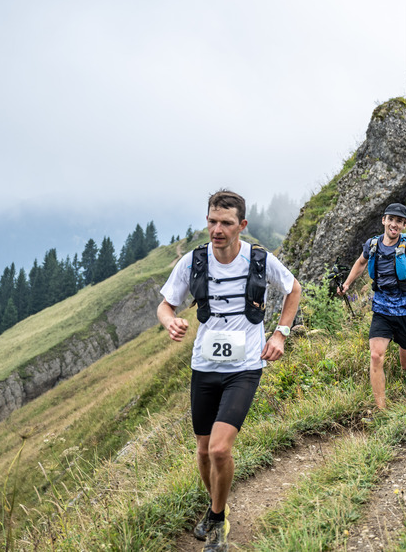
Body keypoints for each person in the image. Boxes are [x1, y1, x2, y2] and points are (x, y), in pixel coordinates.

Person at [158, 190, 302, 552]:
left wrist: (280, 334)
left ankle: (219, 521)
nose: (217, 229)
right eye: (212, 221)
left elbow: (293, 289)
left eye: (225, 222)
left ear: (242, 225)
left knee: (221, 450)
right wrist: (170, 321)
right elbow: (165, 305)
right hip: (204, 366)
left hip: (245, 367)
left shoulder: (258, 259)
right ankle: (214, 506)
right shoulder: (194, 262)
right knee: (204, 453)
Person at [338, 203, 406, 409]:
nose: (394, 224)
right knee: (375, 355)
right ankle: (382, 411)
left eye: (399, 221)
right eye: (391, 219)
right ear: (384, 220)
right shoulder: (372, 244)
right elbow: (361, 263)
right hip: (381, 309)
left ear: (404, 225)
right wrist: (347, 283)